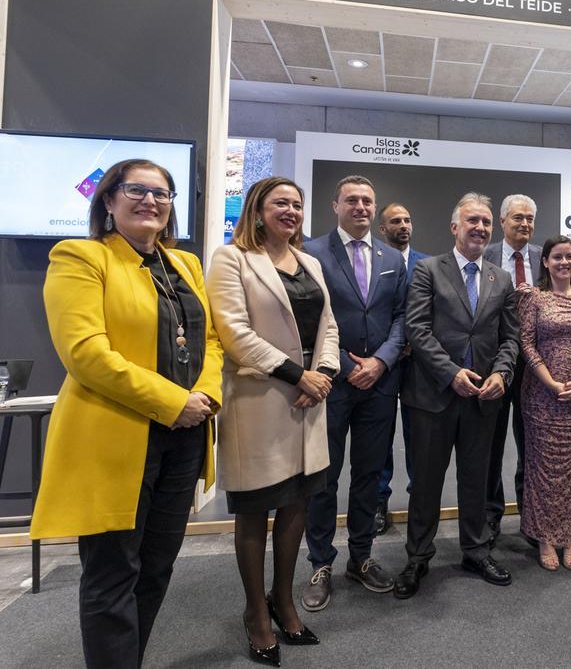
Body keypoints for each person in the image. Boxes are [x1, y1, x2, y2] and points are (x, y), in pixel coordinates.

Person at [31, 159, 223, 668]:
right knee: (112, 574)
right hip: (116, 439)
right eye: (136, 190)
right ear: (109, 200)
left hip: (184, 439)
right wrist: (171, 401)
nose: (151, 201)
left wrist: (203, 396)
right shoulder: (80, 256)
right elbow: (85, 354)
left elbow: (209, 341)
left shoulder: (185, 265)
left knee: (157, 568)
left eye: (162, 193)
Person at [207, 176, 342, 663]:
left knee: (298, 506)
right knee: (255, 512)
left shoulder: (310, 262)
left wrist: (323, 373)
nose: (290, 210)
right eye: (280, 203)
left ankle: (283, 600)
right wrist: (297, 375)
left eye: (297, 204)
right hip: (261, 399)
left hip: (309, 401)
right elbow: (234, 332)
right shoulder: (232, 259)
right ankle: (254, 613)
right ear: (257, 209)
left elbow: (330, 325)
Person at [393, 192, 520, 599]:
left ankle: (476, 550)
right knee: (426, 482)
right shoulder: (428, 270)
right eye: (472, 221)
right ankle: (417, 557)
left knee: (477, 479)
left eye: (485, 221)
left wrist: (502, 372)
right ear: (455, 227)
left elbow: (510, 336)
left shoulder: (502, 278)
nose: (480, 228)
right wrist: (451, 374)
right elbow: (417, 329)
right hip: (433, 395)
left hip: (483, 397)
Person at [301, 176, 408, 610]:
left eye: (367, 200)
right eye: (352, 200)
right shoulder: (311, 253)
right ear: (336, 205)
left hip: (380, 385)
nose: (361, 207)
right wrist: (348, 366)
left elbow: (402, 319)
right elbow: (307, 318)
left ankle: (361, 557)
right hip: (331, 382)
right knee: (324, 478)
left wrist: (380, 362)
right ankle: (321, 562)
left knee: (369, 475)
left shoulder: (392, 258)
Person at [517, 235, 571, 570]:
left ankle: (567, 535)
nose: (564, 262)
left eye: (569, 257)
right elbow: (526, 344)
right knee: (542, 467)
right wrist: (551, 382)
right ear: (546, 262)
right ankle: (543, 538)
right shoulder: (535, 300)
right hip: (541, 394)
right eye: (557, 257)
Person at [483, 194, 543, 545]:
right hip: (493, 362)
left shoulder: (543, 257)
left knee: (531, 443)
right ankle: (491, 515)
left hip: (535, 366)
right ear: (502, 221)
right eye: (517, 218)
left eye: (530, 219)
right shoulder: (484, 254)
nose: (524, 224)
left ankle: (530, 514)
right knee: (491, 443)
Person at [373, 202, 430, 534]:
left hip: (418, 364)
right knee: (381, 438)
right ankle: (379, 501)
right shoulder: (374, 260)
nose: (404, 225)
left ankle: (418, 499)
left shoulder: (428, 263)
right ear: (383, 229)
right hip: (384, 361)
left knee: (417, 437)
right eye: (396, 221)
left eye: (408, 219)